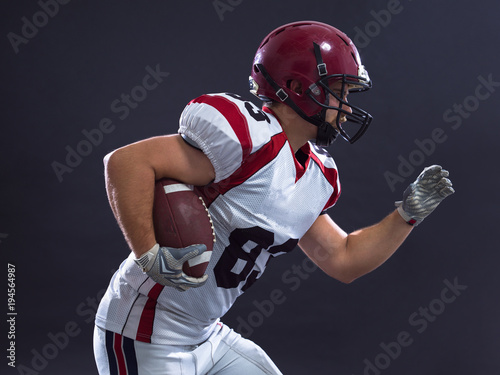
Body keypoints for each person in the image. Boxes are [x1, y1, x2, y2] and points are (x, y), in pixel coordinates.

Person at [93, 21, 454, 374]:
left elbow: (344, 259)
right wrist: (147, 253)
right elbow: (126, 163)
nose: (346, 107)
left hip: (205, 335)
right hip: (142, 332)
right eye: (339, 91)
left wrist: (407, 214)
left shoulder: (316, 173)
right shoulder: (247, 138)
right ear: (298, 86)